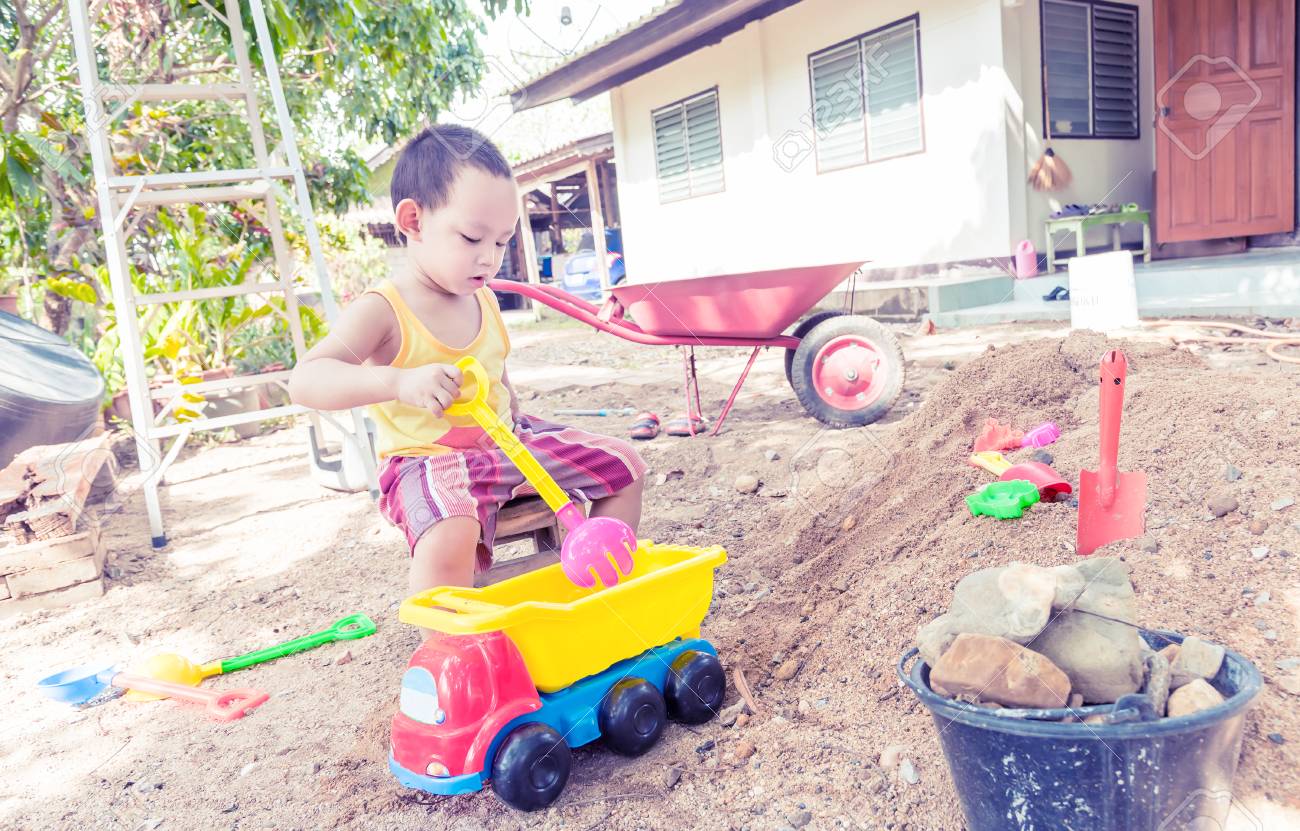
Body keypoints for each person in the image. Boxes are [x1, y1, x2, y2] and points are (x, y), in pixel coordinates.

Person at [289, 124, 646, 595]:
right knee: (451, 529)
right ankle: (452, 636)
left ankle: (597, 587)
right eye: (473, 238)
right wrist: (398, 382)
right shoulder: (384, 309)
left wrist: (512, 403)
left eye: (501, 242)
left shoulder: (485, 299)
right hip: (427, 461)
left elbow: (495, 370)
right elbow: (306, 381)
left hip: (508, 444)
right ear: (414, 221)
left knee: (624, 465)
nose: (490, 259)